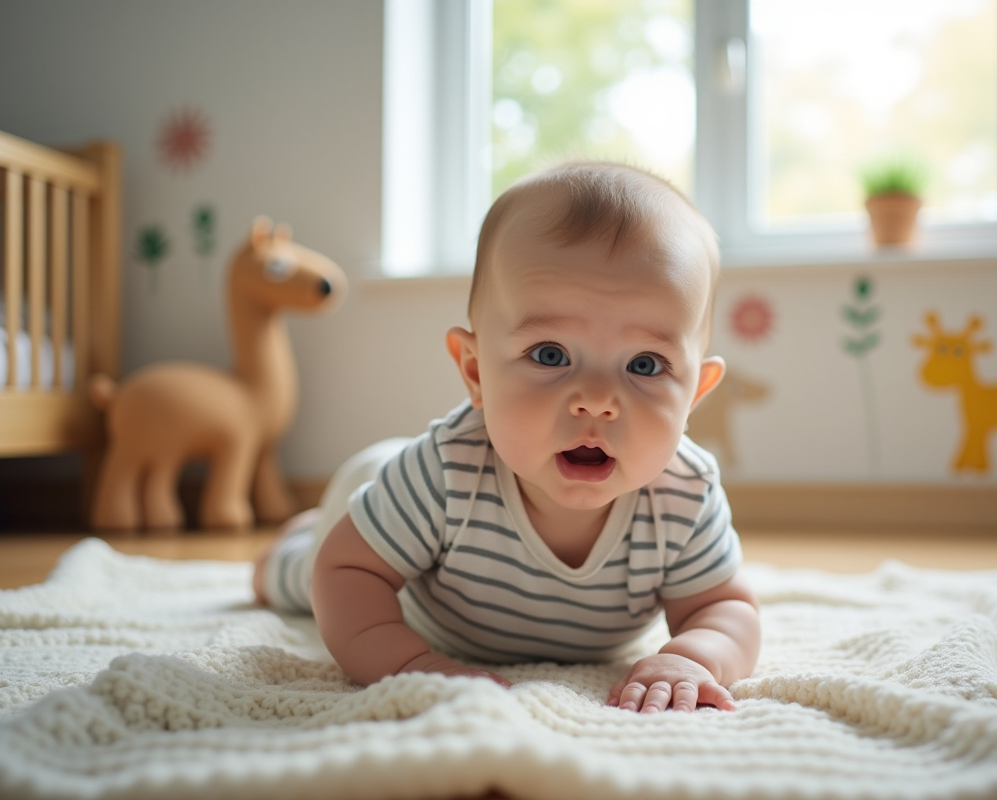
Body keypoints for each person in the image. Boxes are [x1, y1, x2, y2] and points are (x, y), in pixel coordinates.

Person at [253, 161, 761, 714]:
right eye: (550, 354)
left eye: (644, 364)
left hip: (403, 503)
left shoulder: (686, 493)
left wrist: (693, 657)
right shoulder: (445, 472)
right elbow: (347, 573)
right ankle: (293, 543)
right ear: (475, 371)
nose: (596, 399)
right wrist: (407, 662)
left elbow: (724, 609)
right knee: (308, 577)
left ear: (694, 394)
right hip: (385, 508)